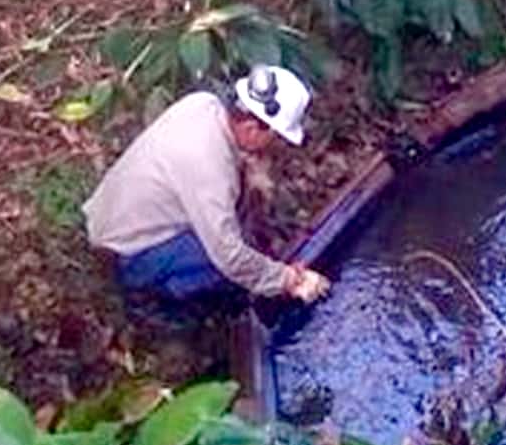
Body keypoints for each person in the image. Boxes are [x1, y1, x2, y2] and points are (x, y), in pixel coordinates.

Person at [84, 65, 332, 311]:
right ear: (251, 129)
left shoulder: (203, 104)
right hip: (127, 253)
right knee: (225, 272)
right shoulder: (210, 165)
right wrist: (288, 280)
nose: (276, 145)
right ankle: (155, 305)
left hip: (109, 220)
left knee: (238, 243)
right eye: (275, 137)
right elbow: (229, 257)